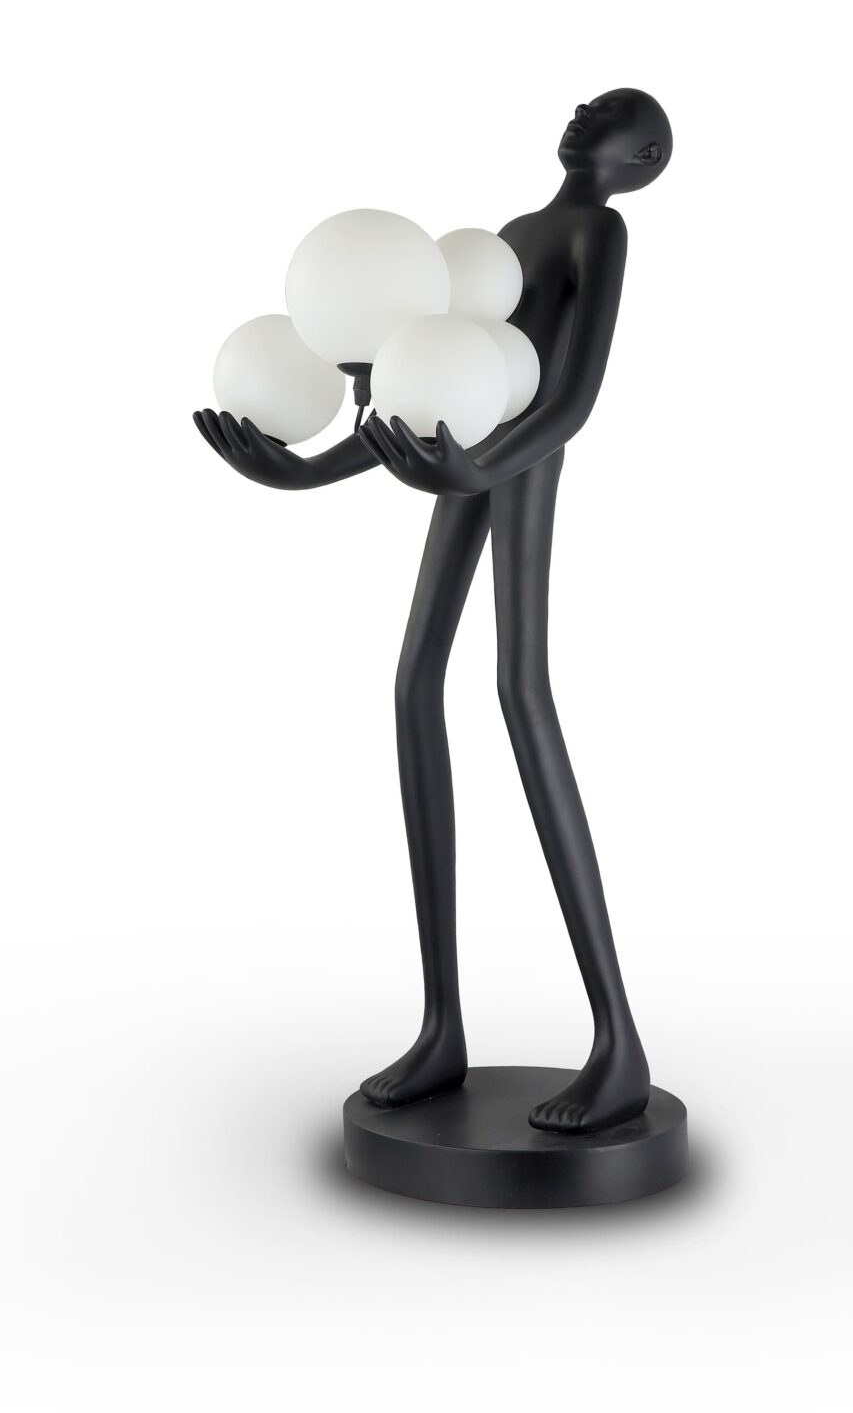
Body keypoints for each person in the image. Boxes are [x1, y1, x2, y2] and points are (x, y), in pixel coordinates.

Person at [193, 89, 671, 1133]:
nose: (583, 112)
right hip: (471, 454)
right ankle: (440, 1026)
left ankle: (618, 1046)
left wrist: (477, 468)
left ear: (640, 157)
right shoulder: (512, 233)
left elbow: (572, 398)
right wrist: (303, 469)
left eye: (609, 113)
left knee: (519, 690)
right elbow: (423, 396)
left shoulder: (598, 234)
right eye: (588, 103)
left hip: (519, 457)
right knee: (414, 685)